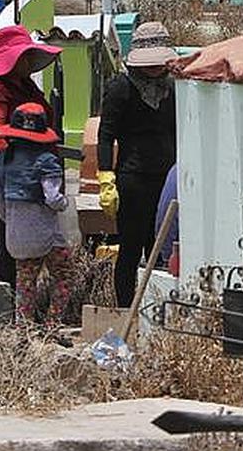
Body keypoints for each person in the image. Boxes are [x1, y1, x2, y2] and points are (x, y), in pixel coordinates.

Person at [0, 25, 61, 289]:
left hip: (37, 176)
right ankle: (8, 303)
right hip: (12, 180)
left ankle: (25, 303)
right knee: (12, 247)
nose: (30, 61)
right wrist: (23, 174)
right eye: (25, 55)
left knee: (36, 249)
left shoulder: (24, 84)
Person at [98, 23, 178, 307]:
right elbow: (106, 135)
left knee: (161, 249)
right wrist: (105, 176)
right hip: (133, 180)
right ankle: (125, 311)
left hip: (167, 179)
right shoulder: (121, 88)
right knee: (131, 250)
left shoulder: (173, 88)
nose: (155, 69)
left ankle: (155, 310)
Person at [0, 102, 71, 327]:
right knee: (64, 275)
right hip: (46, 233)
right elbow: (53, 198)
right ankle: (52, 324)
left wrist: (13, 221)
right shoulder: (46, 161)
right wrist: (64, 204)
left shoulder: (3, 160)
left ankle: (24, 329)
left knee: (25, 284)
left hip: (17, 234)